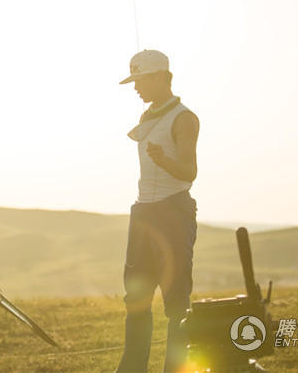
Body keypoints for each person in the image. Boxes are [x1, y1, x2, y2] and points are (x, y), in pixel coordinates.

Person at [115, 50, 200, 373]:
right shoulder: (146, 117)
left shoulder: (184, 118)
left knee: (176, 300)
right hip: (143, 213)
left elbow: (189, 171)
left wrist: (165, 161)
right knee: (135, 296)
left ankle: (175, 369)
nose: (135, 88)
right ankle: (131, 369)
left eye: (139, 80)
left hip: (173, 212)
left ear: (159, 77)